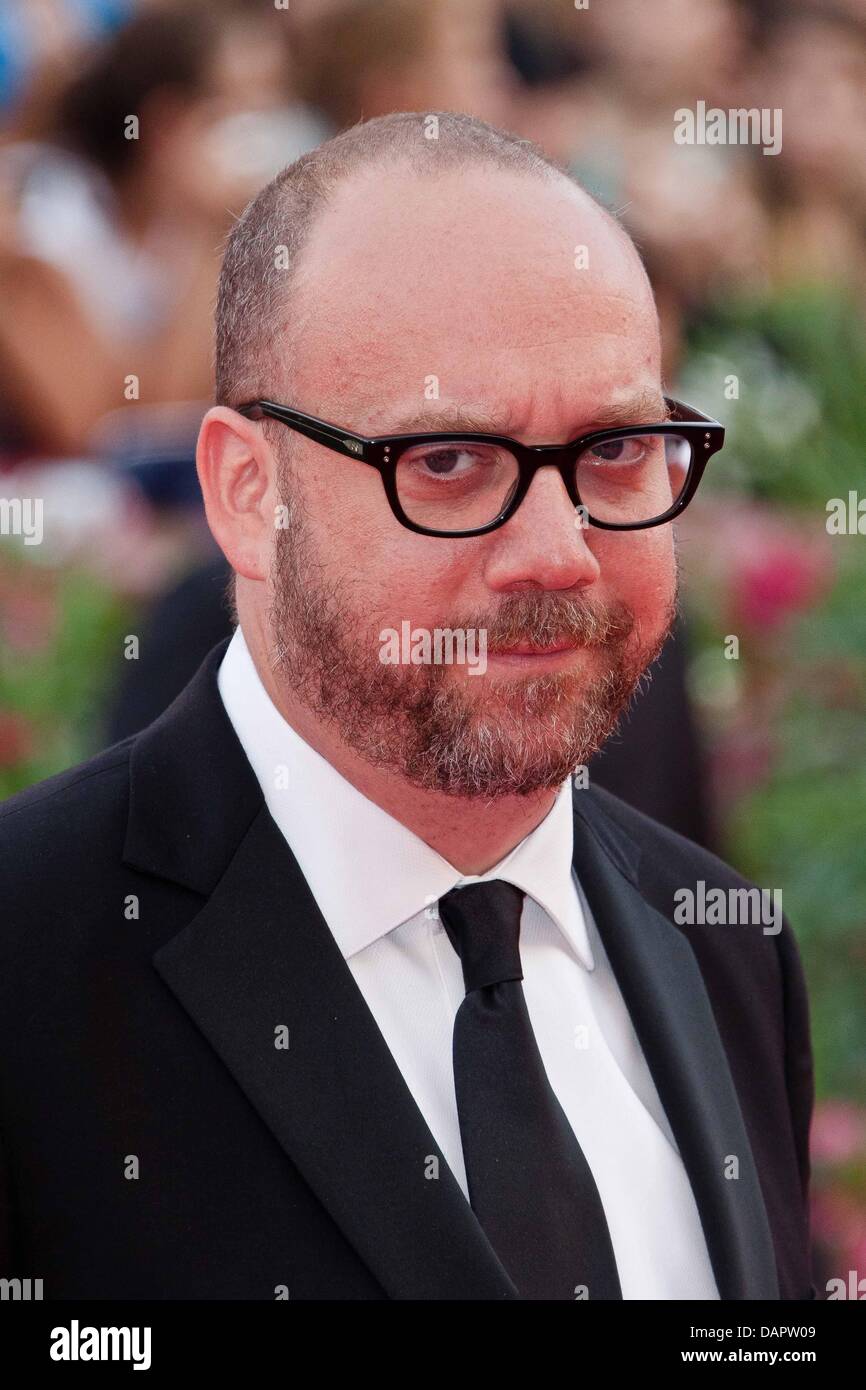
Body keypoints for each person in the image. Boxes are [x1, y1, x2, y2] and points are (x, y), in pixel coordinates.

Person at [0, 112, 814, 1301]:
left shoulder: (727, 944)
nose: (557, 551)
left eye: (616, 450)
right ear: (245, 493)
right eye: (446, 461)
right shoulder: (30, 957)